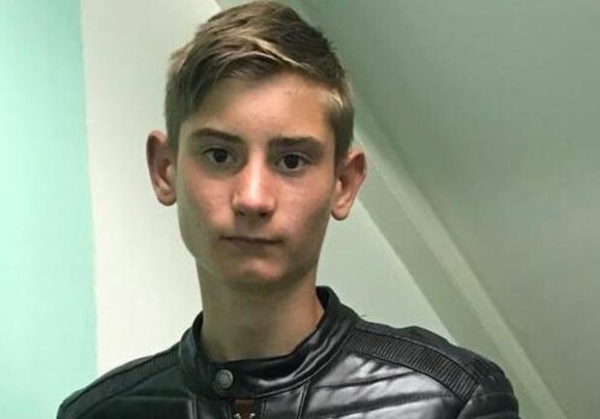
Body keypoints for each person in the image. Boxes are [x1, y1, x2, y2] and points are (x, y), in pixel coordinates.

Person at [58, 1, 520, 418]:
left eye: (292, 161)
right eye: (219, 155)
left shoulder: (452, 402)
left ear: (344, 183)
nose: (253, 198)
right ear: (165, 170)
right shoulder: (97, 414)